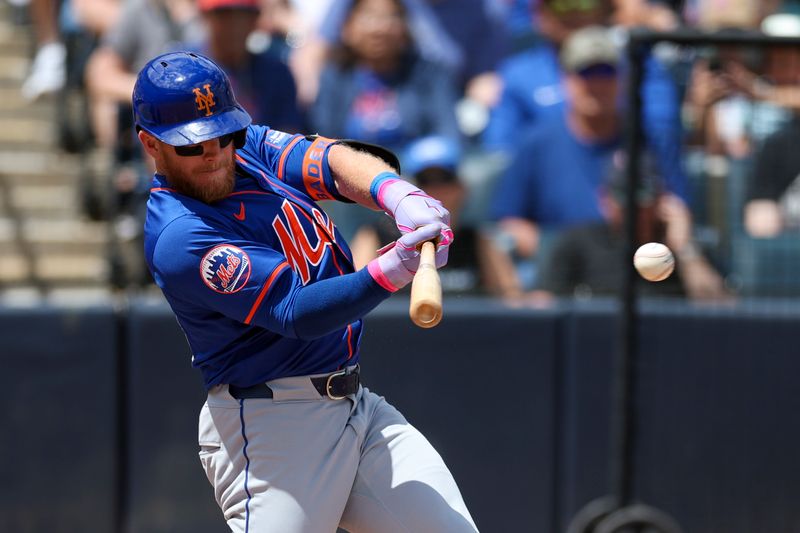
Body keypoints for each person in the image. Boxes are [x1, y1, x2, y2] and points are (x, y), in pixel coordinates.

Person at [135, 51, 477, 532]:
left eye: (222, 135)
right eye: (192, 145)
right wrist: (391, 269)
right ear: (152, 143)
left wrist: (394, 193)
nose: (213, 152)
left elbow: (331, 161)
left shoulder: (244, 146)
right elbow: (295, 311)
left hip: (354, 404)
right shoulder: (179, 235)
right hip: (273, 430)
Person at [533, 152, 730, 301]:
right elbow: (543, 312)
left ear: (661, 197)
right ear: (604, 200)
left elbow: (721, 315)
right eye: (622, 196)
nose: (633, 208)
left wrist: (685, 249)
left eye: (642, 195)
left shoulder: (687, 246)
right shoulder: (576, 245)